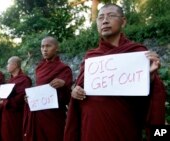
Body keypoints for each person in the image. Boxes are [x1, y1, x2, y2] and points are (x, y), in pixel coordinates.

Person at [64, 4, 166, 141]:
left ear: (123, 21)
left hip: (123, 126)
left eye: (111, 16)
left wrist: (151, 78)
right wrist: (75, 91)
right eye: (100, 18)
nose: (104, 21)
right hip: (91, 129)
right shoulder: (91, 57)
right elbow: (79, 89)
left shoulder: (137, 53)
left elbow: (152, 97)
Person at [23, 36, 73, 141]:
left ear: (57, 48)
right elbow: (39, 89)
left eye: (48, 46)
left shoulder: (63, 68)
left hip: (54, 114)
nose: (44, 49)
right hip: (39, 113)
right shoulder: (39, 68)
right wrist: (31, 99)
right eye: (42, 47)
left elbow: (67, 95)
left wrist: (63, 84)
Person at [0, 56, 32, 141]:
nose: (6, 66)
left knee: (15, 135)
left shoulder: (24, 79)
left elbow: (21, 98)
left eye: (8, 63)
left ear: (15, 65)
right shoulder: (10, 81)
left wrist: (4, 102)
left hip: (17, 115)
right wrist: (0, 100)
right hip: (6, 114)